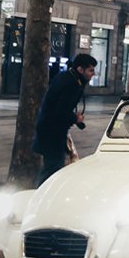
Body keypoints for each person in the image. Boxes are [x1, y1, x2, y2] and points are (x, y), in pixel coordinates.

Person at [34, 53, 97, 186]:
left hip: (47, 129)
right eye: (91, 70)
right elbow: (60, 111)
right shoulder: (72, 84)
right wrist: (76, 118)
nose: (94, 74)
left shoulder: (66, 77)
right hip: (52, 132)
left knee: (52, 166)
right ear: (80, 69)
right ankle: (41, 195)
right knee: (53, 168)